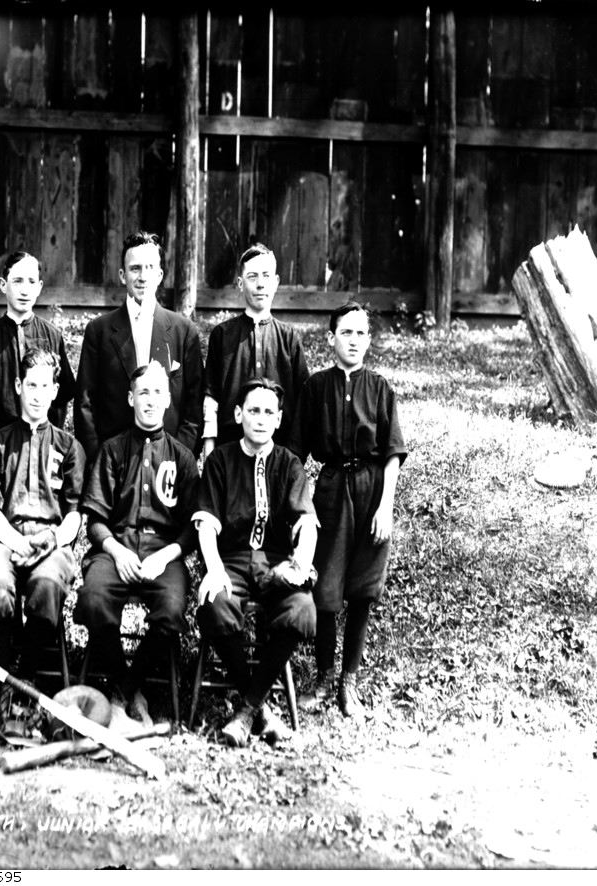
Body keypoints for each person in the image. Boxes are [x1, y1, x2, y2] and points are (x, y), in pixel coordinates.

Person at [288, 302, 407, 718]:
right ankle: (323, 676)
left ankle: (348, 683)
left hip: (373, 489)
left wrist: (386, 506)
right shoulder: (315, 388)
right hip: (332, 489)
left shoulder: (380, 388)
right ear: (331, 338)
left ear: (369, 340)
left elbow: (392, 453)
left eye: (361, 333)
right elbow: (295, 454)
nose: (354, 341)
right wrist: (301, 508)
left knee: (363, 589)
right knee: (326, 588)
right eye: (346, 333)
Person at [193, 378, 318, 747]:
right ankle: (259, 710)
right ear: (238, 414)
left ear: (279, 419)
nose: (260, 419)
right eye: (253, 411)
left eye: (268, 412)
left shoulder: (289, 464)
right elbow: (206, 525)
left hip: (276, 565)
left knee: (302, 611)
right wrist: (214, 569)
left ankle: (246, 710)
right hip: (230, 561)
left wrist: (300, 564)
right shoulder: (220, 460)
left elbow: (306, 524)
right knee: (215, 606)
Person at [74, 361, 199, 722]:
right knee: (94, 600)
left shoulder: (183, 457)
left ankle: (125, 689)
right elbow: (95, 521)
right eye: (143, 392)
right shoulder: (112, 451)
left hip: (163, 555)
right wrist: (115, 550)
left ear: (168, 398)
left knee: (172, 609)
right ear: (131, 398)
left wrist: (167, 555)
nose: (150, 400)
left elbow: (193, 526)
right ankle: (127, 687)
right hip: (116, 551)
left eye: (158, 391)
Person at [0, 348, 86, 734]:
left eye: (45, 386)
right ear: (19, 386)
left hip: (52, 541)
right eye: (30, 385)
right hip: (7, 535)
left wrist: (53, 538)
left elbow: (75, 514)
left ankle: (30, 679)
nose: (37, 394)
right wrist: (15, 541)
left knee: (46, 586)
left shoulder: (69, 447)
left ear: (56, 392)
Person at [75, 231, 203, 461]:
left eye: (150, 268)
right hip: (114, 463)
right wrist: (100, 461)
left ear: (160, 274)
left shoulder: (184, 332)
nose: (143, 276)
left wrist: (179, 458)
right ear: (123, 275)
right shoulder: (99, 331)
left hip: (169, 462)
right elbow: (85, 403)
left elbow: (194, 407)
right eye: (135, 268)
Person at [201, 243, 309, 459]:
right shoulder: (222, 335)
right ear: (241, 283)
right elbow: (210, 399)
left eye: (266, 276)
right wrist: (210, 455)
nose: (260, 284)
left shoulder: (289, 338)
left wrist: (294, 457)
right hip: (229, 452)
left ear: (276, 282)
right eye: (252, 276)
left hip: (279, 452)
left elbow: (303, 404)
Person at [0, 251, 76, 438]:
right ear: (3, 285)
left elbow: (62, 396)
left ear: (39, 287)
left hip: (44, 440)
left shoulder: (52, 335)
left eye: (31, 282)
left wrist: (50, 436)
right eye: (17, 281)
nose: (25, 290)